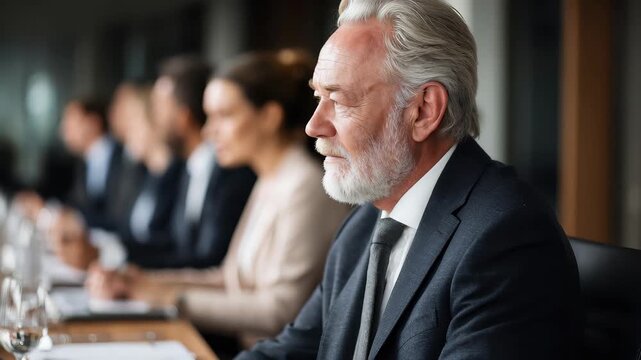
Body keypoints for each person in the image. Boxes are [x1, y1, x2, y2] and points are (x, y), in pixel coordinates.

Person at [237, 1, 581, 359]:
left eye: (338, 100)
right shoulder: (366, 223)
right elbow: (294, 350)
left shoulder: (508, 238)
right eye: (318, 97)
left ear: (423, 110)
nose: (313, 125)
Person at [87, 49, 350, 354]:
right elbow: (227, 277)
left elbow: (279, 311)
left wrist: (165, 297)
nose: (208, 131)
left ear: (269, 117)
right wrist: (145, 281)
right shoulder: (269, 177)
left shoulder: (304, 187)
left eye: (223, 116)